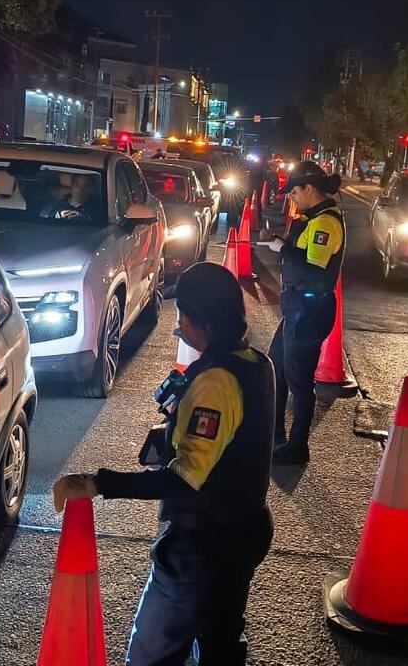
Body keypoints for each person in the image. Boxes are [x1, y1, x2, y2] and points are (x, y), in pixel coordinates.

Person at [52, 263, 276, 665]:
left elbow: (186, 478)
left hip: (203, 547)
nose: (178, 326)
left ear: (200, 319)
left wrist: (99, 483)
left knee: (153, 653)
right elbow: (234, 441)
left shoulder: (215, 382)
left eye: (181, 317)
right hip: (242, 533)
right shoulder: (257, 363)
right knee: (218, 640)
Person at [265, 161, 344, 465]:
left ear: (309, 188)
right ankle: (275, 436)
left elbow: (314, 270)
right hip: (299, 308)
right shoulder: (316, 218)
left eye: (295, 191)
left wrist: (282, 249)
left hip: (309, 310)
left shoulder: (325, 223)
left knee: (299, 381)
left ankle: (297, 447)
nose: (292, 197)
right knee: (277, 368)